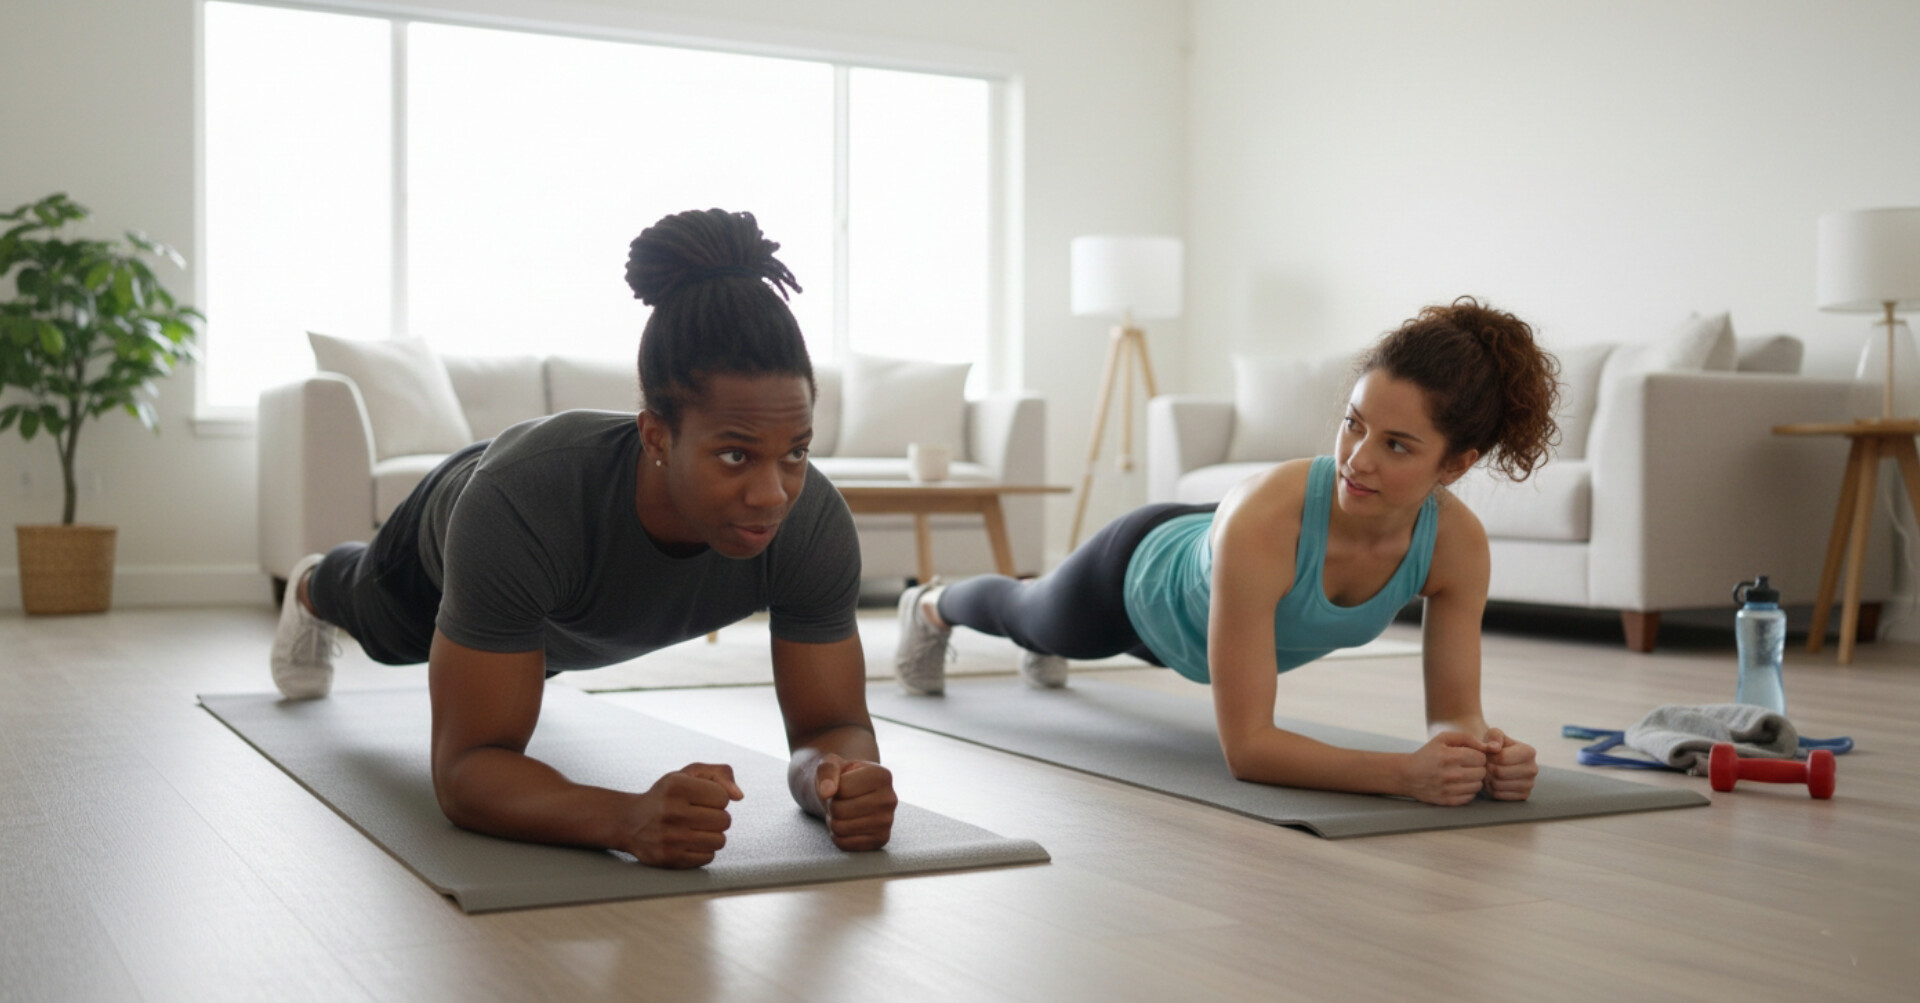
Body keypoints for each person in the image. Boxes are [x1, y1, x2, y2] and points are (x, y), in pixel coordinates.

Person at [269, 208, 896, 867]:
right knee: (383, 630)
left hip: (554, 598)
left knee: (529, 656)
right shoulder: (519, 507)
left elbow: (831, 726)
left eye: (794, 452)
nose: (773, 494)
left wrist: (837, 779)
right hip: (456, 536)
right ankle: (316, 585)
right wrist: (628, 818)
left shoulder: (814, 523)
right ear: (656, 433)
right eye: (737, 456)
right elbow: (467, 771)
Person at [895, 296, 1554, 806]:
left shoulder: (1457, 546)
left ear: (1458, 463)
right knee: (1026, 611)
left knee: (1043, 623)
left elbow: (1453, 712)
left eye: (1398, 444)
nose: (1357, 458)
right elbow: (1248, 748)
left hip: (1213, 600)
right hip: (1136, 583)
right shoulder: (1268, 516)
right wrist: (1402, 775)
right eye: (1353, 423)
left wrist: (1480, 751)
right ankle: (928, 603)